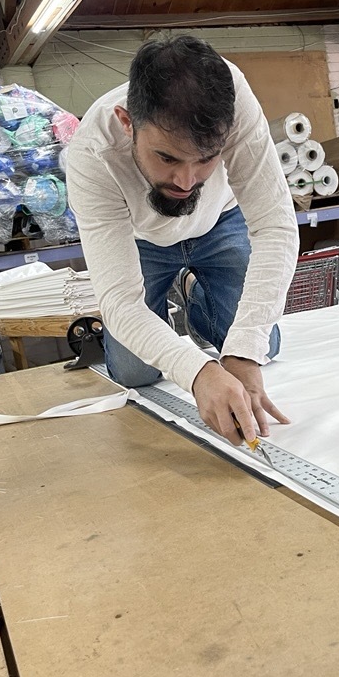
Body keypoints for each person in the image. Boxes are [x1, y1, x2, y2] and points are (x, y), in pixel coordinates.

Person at [66, 36, 298, 448]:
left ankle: (193, 294)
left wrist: (241, 352)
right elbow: (119, 303)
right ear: (126, 122)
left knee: (264, 344)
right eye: (167, 158)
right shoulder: (91, 153)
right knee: (135, 371)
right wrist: (199, 373)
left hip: (220, 222)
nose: (187, 182)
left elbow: (275, 226)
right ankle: (182, 297)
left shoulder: (236, 99)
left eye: (206, 158)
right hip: (145, 242)